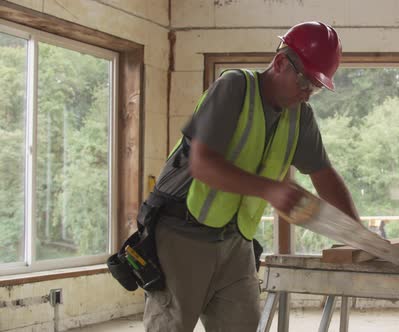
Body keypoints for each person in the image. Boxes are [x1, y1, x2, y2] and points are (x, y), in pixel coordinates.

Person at [142, 21, 359, 332]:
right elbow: (202, 165)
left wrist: (357, 233)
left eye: (315, 87)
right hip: (182, 235)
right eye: (304, 82)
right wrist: (270, 190)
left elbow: (323, 175)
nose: (307, 95)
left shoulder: (301, 118)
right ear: (281, 62)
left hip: (235, 244)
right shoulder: (234, 88)